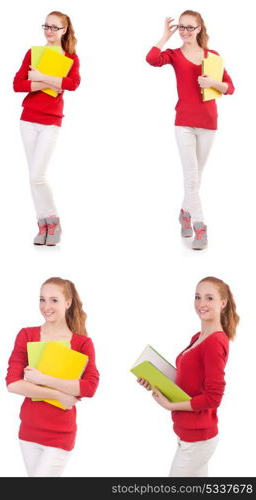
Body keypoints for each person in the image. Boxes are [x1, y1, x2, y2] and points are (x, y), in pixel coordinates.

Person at [146, 11, 234, 250]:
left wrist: (213, 83)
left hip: (208, 123)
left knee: (196, 178)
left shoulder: (212, 56)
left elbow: (230, 88)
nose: (185, 31)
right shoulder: (174, 55)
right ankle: (200, 226)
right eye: (182, 27)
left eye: (189, 27)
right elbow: (152, 59)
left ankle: (185, 212)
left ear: (199, 29)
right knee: (191, 178)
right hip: (184, 123)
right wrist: (165, 36)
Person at [137, 276, 239, 477]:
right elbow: (189, 383)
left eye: (209, 298)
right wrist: (155, 382)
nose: (201, 304)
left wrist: (170, 405)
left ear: (223, 303)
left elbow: (213, 397)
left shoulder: (213, 343)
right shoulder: (198, 337)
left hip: (198, 441)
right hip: (189, 437)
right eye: (197, 297)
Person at [6, 277, 99, 477]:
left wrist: (42, 379)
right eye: (42, 299)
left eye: (54, 300)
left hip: (59, 434)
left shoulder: (82, 344)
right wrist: (59, 395)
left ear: (68, 302)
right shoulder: (26, 335)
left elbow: (89, 387)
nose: (46, 306)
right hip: (29, 432)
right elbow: (13, 384)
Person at [13, 11, 81, 246]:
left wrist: (39, 77)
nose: (49, 31)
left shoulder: (70, 57)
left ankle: (53, 221)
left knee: (37, 176)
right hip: (28, 119)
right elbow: (17, 84)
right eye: (46, 26)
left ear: (64, 30)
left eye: (54, 27)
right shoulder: (34, 52)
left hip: (51, 121)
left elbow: (73, 84)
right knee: (34, 177)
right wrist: (50, 81)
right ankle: (42, 223)